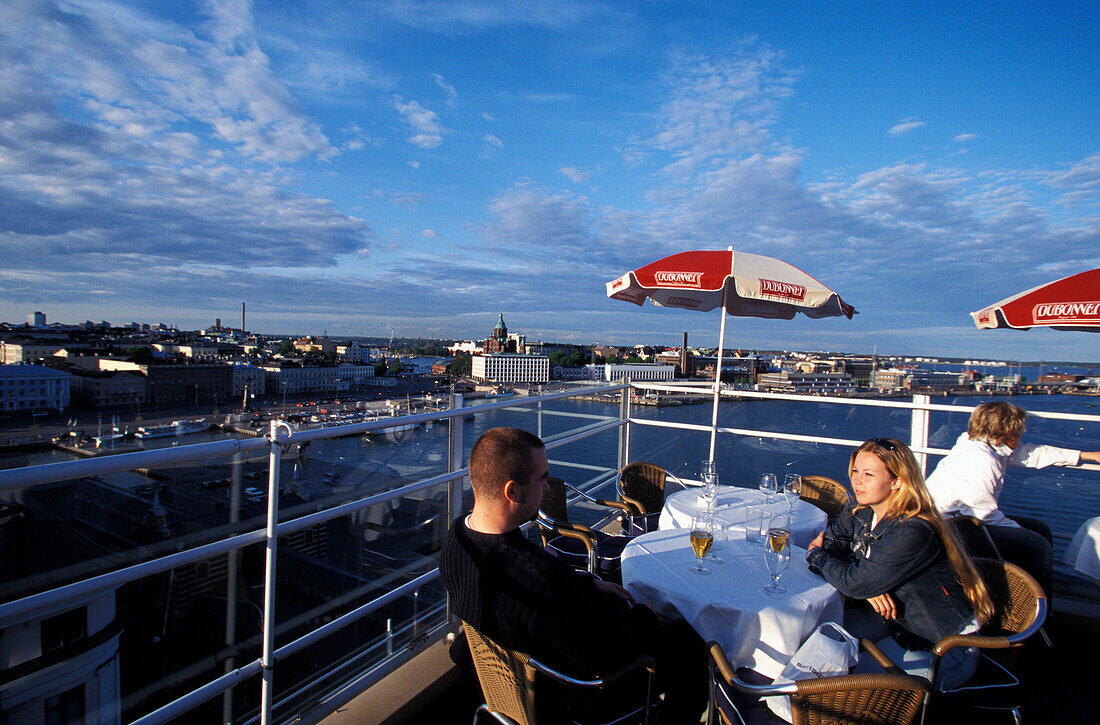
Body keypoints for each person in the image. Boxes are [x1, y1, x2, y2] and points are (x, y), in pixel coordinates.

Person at [440, 427, 707, 724]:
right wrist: (645, 616)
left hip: (505, 686)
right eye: (542, 479)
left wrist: (590, 583)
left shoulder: (458, 540)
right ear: (512, 491)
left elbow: (537, 592)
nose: (548, 489)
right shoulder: (541, 581)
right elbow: (605, 658)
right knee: (693, 653)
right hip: (571, 698)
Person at [806, 437, 994, 690]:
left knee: (842, 687)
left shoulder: (914, 530)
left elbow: (847, 574)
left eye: (868, 474)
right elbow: (833, 545)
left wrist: (827, 563)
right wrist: (867, 585)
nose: (857, 480)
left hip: (941, 647)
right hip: (894, 624)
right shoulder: (863, 510)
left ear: (897, 481)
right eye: (855, 471)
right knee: (814, 644)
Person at [926, 401, 1100, 598]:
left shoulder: (982, 445)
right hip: (950, 528)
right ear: (1008, 432)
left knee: (1039, 528)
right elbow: (984, 515)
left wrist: (1087, 456)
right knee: (1036, 544)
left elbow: (1032, 454)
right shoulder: (982, 461)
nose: (1021, 435)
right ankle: (1035, 606)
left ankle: (1032, 596)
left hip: (963, 518)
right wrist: (1019, 530)